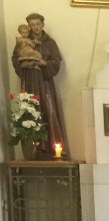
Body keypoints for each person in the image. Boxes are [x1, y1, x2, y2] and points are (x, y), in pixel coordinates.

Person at [11, 13, 67, 159]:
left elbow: (56, 61)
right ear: (28, 26)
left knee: (49, 109)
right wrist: (26, 64)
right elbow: (16, 59)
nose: (35, 27)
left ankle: (52, 147)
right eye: (32, 24)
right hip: (29, 80)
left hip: (45, 81)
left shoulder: (50, 43)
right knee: (30, 110)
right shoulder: (23, 41)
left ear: (42, 24)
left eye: (37, 24)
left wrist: (44, 64)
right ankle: (34, 149)